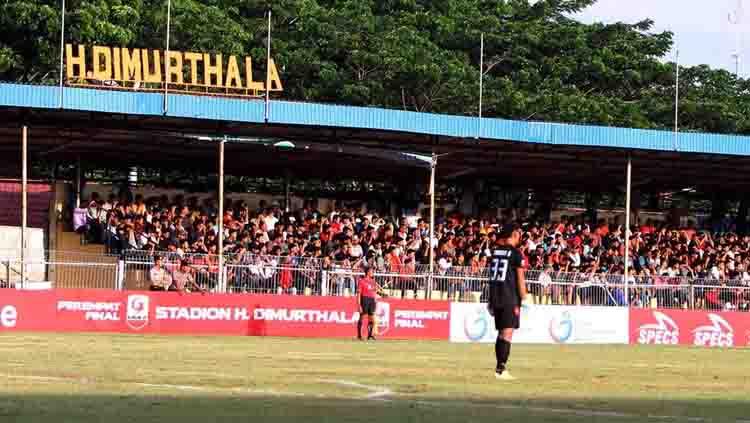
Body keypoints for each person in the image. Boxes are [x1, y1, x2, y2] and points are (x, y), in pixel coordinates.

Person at [487, 224, 529, 381]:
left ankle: (500, 367)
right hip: (509, 297)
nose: (520, 237)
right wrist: (525, 298)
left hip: (496, 295)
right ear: (513, 234)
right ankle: (501, 369)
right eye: (518, 234)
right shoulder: (516, 254)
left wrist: (490, 300)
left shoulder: (495, 251)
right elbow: (520, 278)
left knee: (502, 333)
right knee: (507, 333)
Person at [356, 266, 380, 341]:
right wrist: (359, 304)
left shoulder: (373, 282)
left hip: (372, 300)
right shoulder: (362, 281)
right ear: (368, 272)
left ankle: (370, 335)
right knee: (362, 317)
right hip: (365, 299)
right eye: (371, 271)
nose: (373, 273)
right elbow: (359, 294)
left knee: (371, 318)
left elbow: (374, 292)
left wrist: (375, 298)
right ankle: (359, 335)